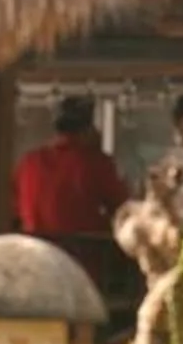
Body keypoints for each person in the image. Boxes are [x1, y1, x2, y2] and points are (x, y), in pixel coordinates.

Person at [16, 96, 128, 239]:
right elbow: (123, 210)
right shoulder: (95, 162)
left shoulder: (28, 162)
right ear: (88, 129)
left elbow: (15, 211)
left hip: (35, 252)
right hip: (82, 254)